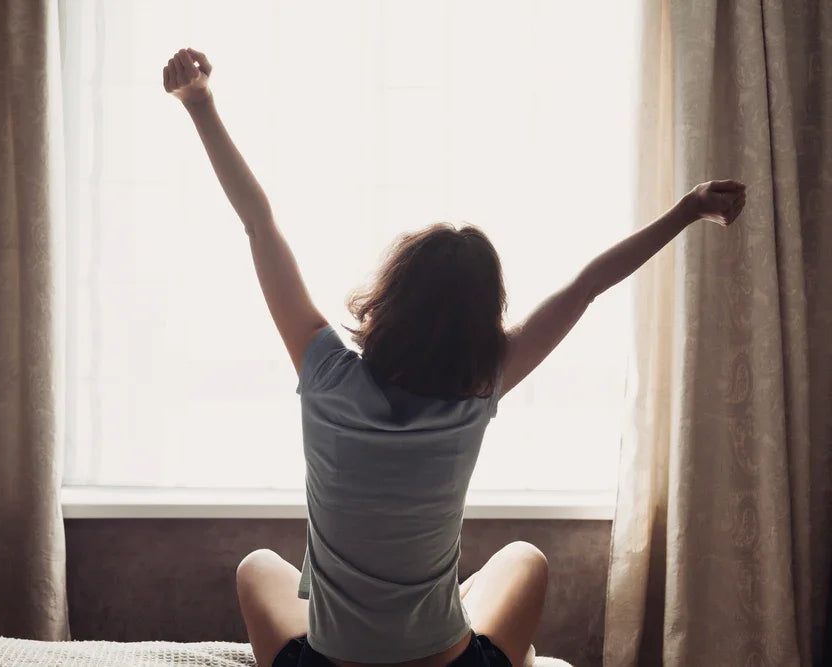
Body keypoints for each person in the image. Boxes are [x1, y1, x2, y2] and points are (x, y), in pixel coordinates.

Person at [163, 48, 746, 667]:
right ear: (480, 322)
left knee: (258, 567)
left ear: (386, 300)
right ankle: (442, 620)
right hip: (448, 662)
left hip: (330, 662)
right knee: (524, 560)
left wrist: (199, 105)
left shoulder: (326, 373)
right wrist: (687, 210)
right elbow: (586, 286)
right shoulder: (479, 391)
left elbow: (259, 223)